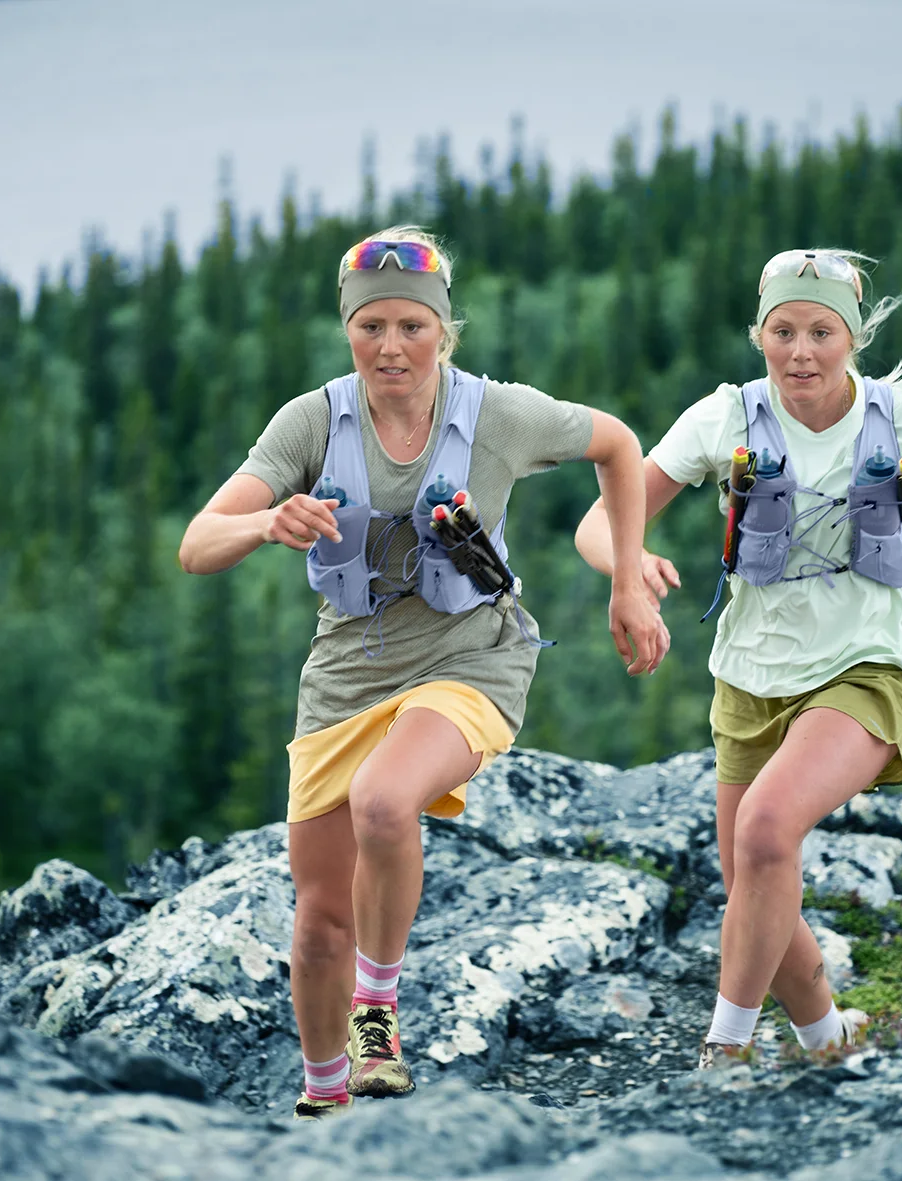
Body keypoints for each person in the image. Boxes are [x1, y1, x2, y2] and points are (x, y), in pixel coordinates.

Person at [178, 226, 667, 1119]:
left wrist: (627, 582)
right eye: (370, 326)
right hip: (344, 675)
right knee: (319, 924)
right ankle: (325, 1101)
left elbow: (620, 445)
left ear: (444, 329)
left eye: (412, 325)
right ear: (347, 329)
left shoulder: (498, 415)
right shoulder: (311, 421)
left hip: (471, 656)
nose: (391, 346)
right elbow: (197, 544)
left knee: (383, 800)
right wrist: (264, 522)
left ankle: (377, 1016)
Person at [572, 248, 902, 1066]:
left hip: (871, 658)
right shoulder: (725, 418)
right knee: (752, 875)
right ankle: (826, 1036)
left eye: (820, 332)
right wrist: (627, 570)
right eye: (782, 331)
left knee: (767, 828)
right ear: (758, 334)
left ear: (853, 338)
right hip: (751, 668)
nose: (799, 351)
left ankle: (724, 1051)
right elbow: (601, 520)